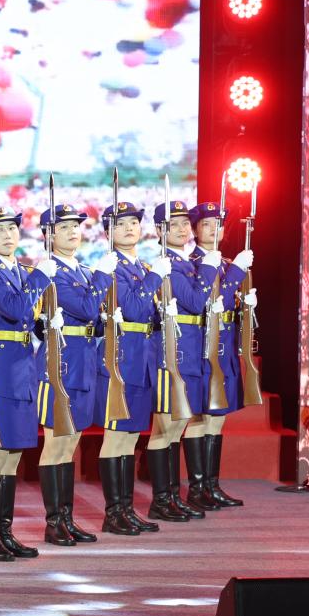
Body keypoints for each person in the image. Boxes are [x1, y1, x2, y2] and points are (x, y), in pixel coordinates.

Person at [0, 206, 54, 560]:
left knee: (14, 453)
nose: (7, 235)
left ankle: (4, 531)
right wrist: (41, 278)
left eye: (12, 229)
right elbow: (15, 309)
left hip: (22, 366)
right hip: (0, 368)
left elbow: (27, 319)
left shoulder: (20, 271)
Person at [33, 204, 118, 546]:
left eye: (76, 226)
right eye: (64, 227)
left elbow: (92, 315)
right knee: (56, 442)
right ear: (48, 235)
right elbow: (84, 307)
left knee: (71, 443)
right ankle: (53, 522)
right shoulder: (51, 271)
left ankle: (66, 518)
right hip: (61, 362)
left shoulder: (82, 271)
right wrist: (103, 278)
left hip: (84, 360)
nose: (72, 232)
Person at [93, 202, 171, 536]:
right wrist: (156, 277)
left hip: (143, 358)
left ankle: (125, 509)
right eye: (120, 224)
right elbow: (135, 308)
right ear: (107, 232)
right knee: (116, 437)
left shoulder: (140, 266)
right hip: (122, 358)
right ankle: (113, 513)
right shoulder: (112, 267)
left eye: (133, 223)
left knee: (130, 439)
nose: (129, 229)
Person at [147, 200, 219, 522]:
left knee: (178, 426)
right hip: (172, 353)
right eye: (172, 224)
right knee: (166, 427)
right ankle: (161, 500)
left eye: (183, 223)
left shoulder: (185, 264)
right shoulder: (168, 264)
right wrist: (210, 269)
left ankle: (173, 496)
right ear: (159, 230)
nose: (181, 229)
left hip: (190, 350)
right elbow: (194, 301)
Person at [183, 202, 255, 509]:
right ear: (195, 230)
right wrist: (237, 272)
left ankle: (211, 485)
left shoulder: (224, 263)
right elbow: (213, 302)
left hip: (225, 344)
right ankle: (197, 488)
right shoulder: (193, 264)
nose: (214, 230)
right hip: (204, 347)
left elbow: (230, 304)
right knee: (200, 417)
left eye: (218, 225)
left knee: (217, 418)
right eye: (207, 224)